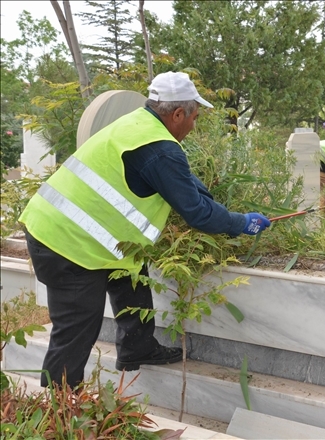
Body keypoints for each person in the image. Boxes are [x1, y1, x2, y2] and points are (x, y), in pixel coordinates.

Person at [19, 71, 272, 389]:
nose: (194, 125)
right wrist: (242, 223)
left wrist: (215, 203)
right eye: (194, 117)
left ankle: (137, 346)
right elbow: (197, 214)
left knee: (130, 272)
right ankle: (60, 411)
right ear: (178, 114)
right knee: (75, 329)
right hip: (66, 243)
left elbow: (186, 184)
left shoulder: (139, 125)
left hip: (68, 230)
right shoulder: (160, 148)